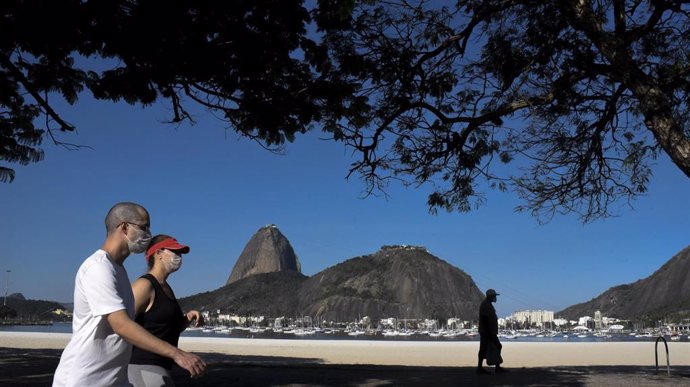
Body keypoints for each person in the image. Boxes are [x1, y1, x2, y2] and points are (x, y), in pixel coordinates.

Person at [53, 202, 206, 387]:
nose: (148, 235)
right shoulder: (98, 267)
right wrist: (177, 354)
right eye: (144, 227)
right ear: (124, 227)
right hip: (84, 380)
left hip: (116, 380)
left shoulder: (119, 271)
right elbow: (121, 325)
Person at [128, 234, 204, 386]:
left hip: (161, 367)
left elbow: (164, 329)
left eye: (180, 253)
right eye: (175, 252)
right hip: (141, 365)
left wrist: (187, 318)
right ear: (158, 254)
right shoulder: (144, 285)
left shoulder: (165, 287)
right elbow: (122, 325)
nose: (179, 257)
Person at [476, 288, 505, 374]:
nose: (496, 298)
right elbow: (485, 319)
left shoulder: (488, 304)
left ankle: (491, 367)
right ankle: (486, 368)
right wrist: (489, 333)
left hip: (489, 332)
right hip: (487, 332)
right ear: (491, 296)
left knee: (486, 348)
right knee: (495, 346)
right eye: (495, 296)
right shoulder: (485, 305)